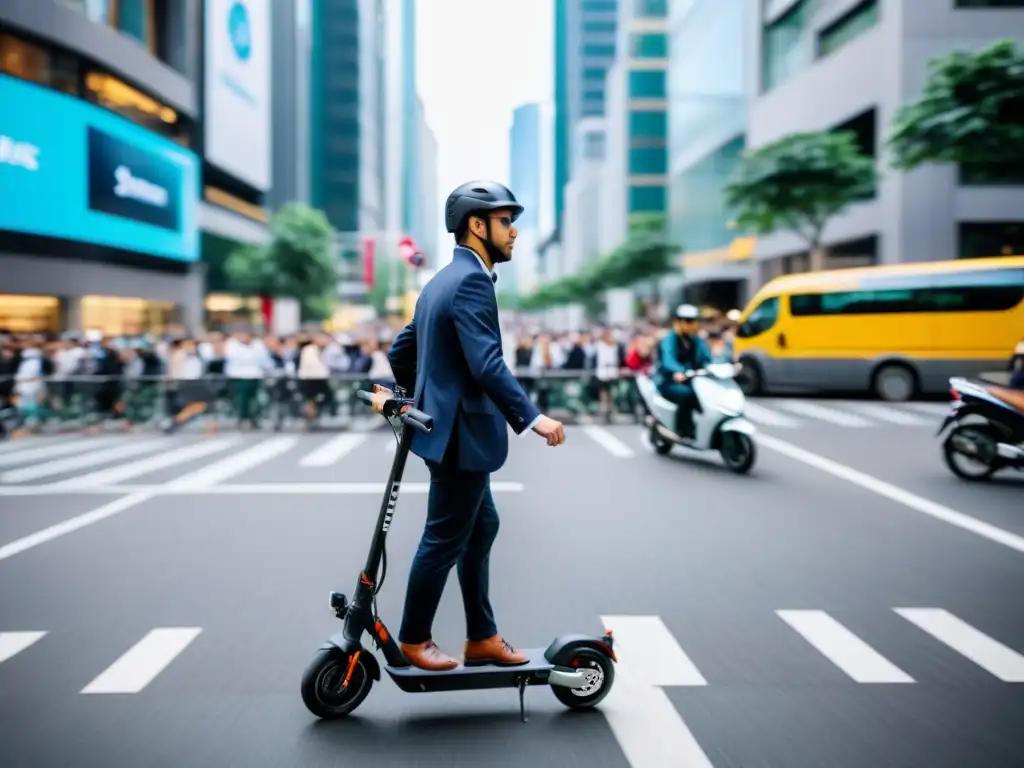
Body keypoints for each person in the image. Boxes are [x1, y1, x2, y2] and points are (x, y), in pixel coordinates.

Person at [371, 180, 566, 672]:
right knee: (443, 538)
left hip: (444, 433)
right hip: (460, 437)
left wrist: (425, 398)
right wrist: (533, 417)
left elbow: (402, 352)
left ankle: (482, 636)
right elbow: (486, 364)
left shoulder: (437, 282)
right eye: (506, 221)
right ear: (476, 226)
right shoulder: (472, 282)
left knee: (481, 529)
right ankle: (415, 638)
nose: (515, 231)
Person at [654, 304, 712, 439]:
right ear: (678, 322)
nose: (693, 324)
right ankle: (682, 429)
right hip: (668, 382)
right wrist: (679, 371)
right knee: (687, 394)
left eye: (694, 321)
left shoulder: (697, 340)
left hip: (694, 381)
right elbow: (668, 360)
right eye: (688, 321)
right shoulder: (669, 339)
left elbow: (707, 358)